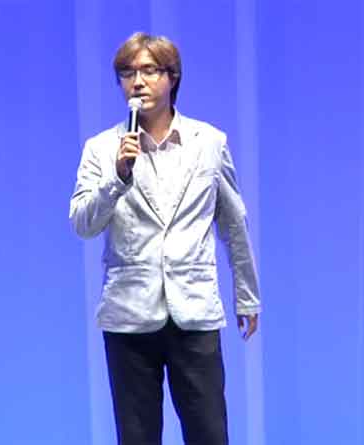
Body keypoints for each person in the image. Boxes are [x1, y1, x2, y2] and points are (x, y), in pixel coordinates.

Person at [69, 32, 261, 445]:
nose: (137, 82)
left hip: (194, 309)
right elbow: (83, 223)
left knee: (209, 434)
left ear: (172, 77)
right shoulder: (101, 148)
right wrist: (117, 176)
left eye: (149, 71)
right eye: (127, 73)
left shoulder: (209, 143)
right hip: (129, 314)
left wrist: (247, 296)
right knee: (137, 437)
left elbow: (234, 223)